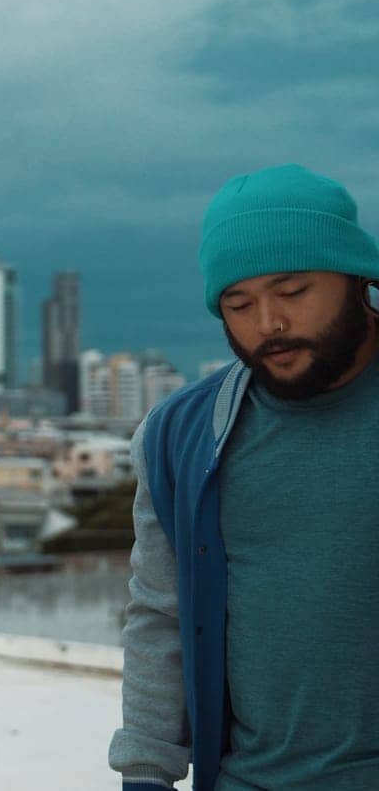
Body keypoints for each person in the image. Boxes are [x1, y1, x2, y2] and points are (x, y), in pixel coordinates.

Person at [111, 164, 379, 791]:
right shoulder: (180, 435)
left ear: (356, 276)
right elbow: (160, 615)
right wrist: (145, 775)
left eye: (292, 291)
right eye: (239, 303)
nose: (269, 322)